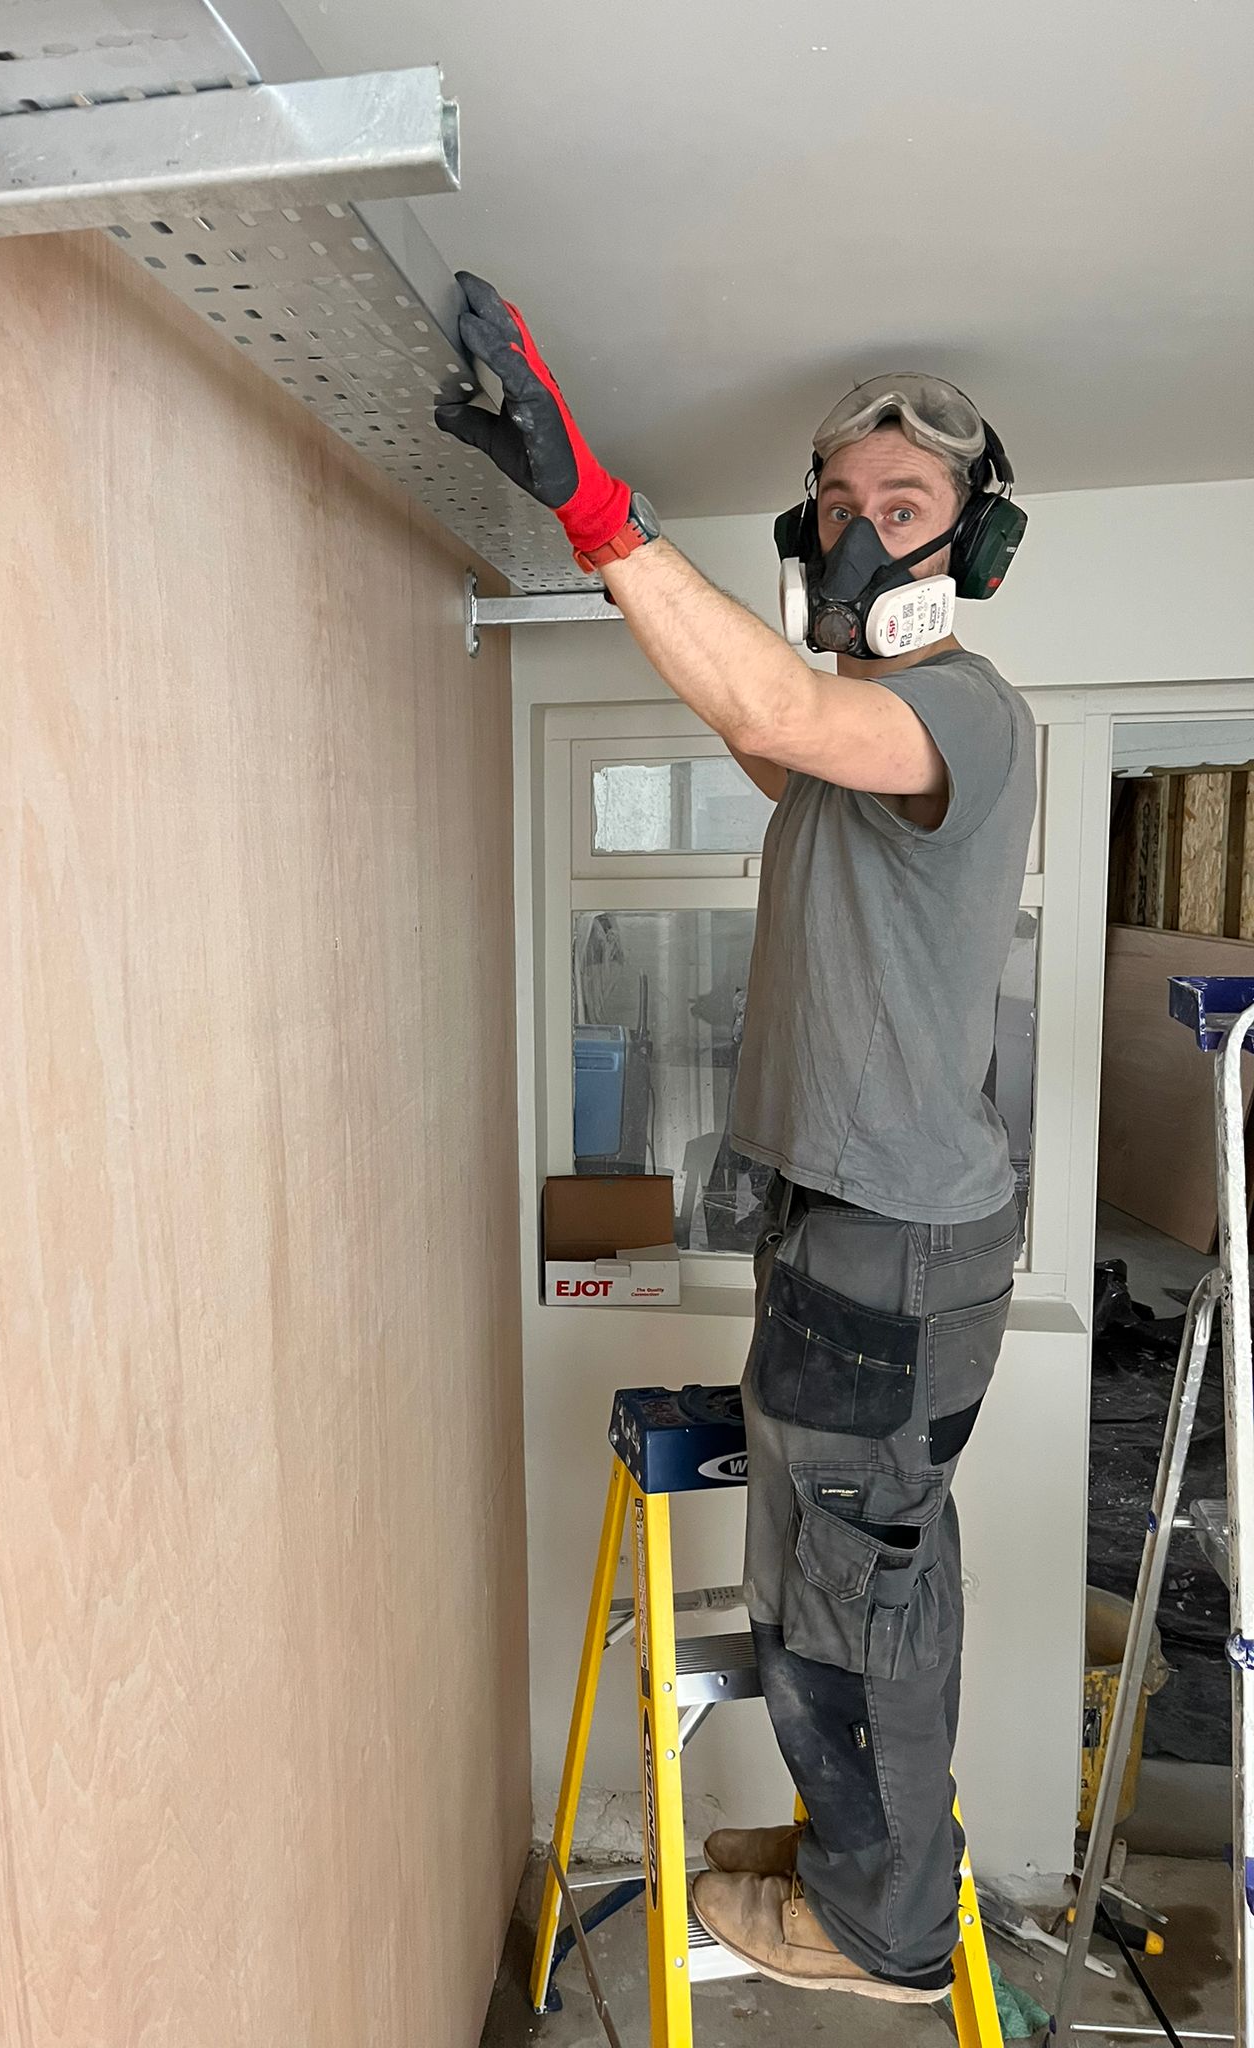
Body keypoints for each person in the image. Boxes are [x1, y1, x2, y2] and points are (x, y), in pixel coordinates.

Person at [438, 273, 1036, 2006]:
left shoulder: (967, 710)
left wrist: (594, 506)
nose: (862, 539)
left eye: (902, 513)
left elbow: (777, 714)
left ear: (970, 549)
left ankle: (890, 1930)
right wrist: (774, 627)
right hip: (848, 1226)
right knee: (825, 1562)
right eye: (838, 509)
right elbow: (755, 717)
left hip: (893, 1235)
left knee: (854, 1580)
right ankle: (854, 1856)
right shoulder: (847, 749)